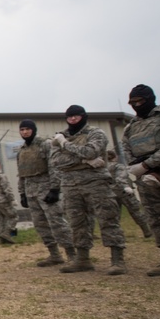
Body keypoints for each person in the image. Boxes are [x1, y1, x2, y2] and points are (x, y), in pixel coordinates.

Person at [49, 105, 126, 274]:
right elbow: (56, 161)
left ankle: (117, 260)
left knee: (107, 218)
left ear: (84, 116)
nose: (72, 120)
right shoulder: (61, 136)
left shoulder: (95, 133)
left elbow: (90, 151)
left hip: (96, 182)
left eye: (76, 116)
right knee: (77, 222)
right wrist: (83, 160)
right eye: (69, 117)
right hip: (70, 185)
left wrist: (66, 145)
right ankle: (83, 259)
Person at [16, 119, 76, 267]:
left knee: (56, 222)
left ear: (33, 130)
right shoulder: (22, 150)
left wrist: (55, 189)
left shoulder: (45, 144)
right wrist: (22, 193)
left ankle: (72, 254)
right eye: (22, 129)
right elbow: (21, 173)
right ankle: (54, 254)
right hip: (31, 192)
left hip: (46, 189)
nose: (25, 132)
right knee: (40, 224)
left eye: (27, 129)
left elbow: (54, 167)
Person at [121, 84, 160, 276]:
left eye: (140, 101)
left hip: (154, 168)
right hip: (145, 177)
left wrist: (148, 164)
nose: (137, 105)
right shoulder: (130, 128)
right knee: (156, 217)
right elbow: (127, 149)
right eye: (133, 102)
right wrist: (136, 167)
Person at [106, 149, 153, 239]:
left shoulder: (104, 168)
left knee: (114, 215)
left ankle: (116, 235)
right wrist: (126, 187)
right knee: (135, 211)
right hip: (123, 192)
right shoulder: (118, 166)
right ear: (115, 157)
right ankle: (147, 231)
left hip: (110, 193)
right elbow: (120, 179)